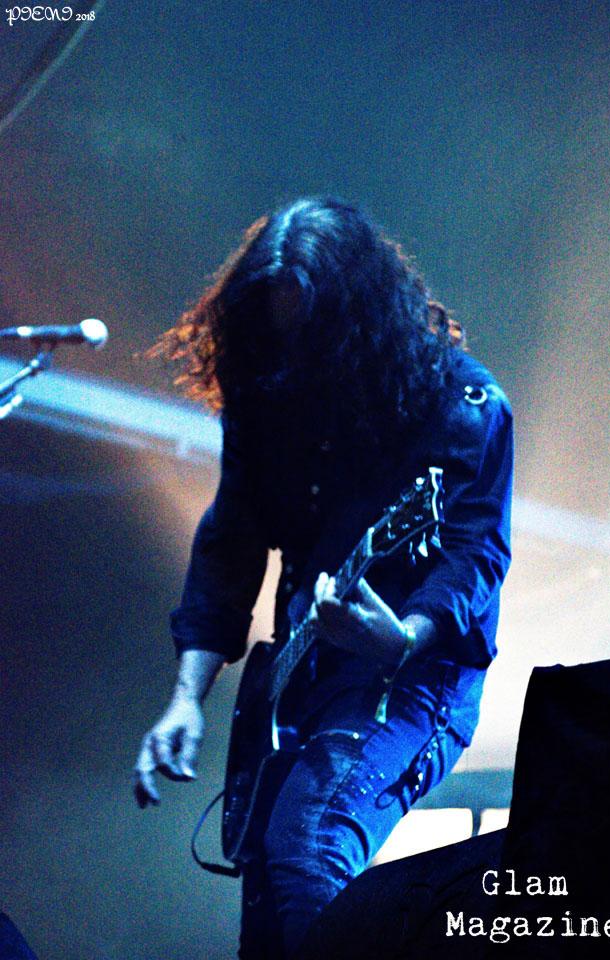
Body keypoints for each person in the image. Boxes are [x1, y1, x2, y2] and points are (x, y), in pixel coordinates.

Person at [133, 197, 513, 958]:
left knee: (310, 844)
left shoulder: (461, 404)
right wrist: (186, 698)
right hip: (302, 674)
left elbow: (476, 550)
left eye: (309, 334)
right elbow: (229, 546)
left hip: (414, 677)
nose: (291, 355)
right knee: (268, 918)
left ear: (360, 321)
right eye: (275, 334)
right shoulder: (268, 399)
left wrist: (405, 634)